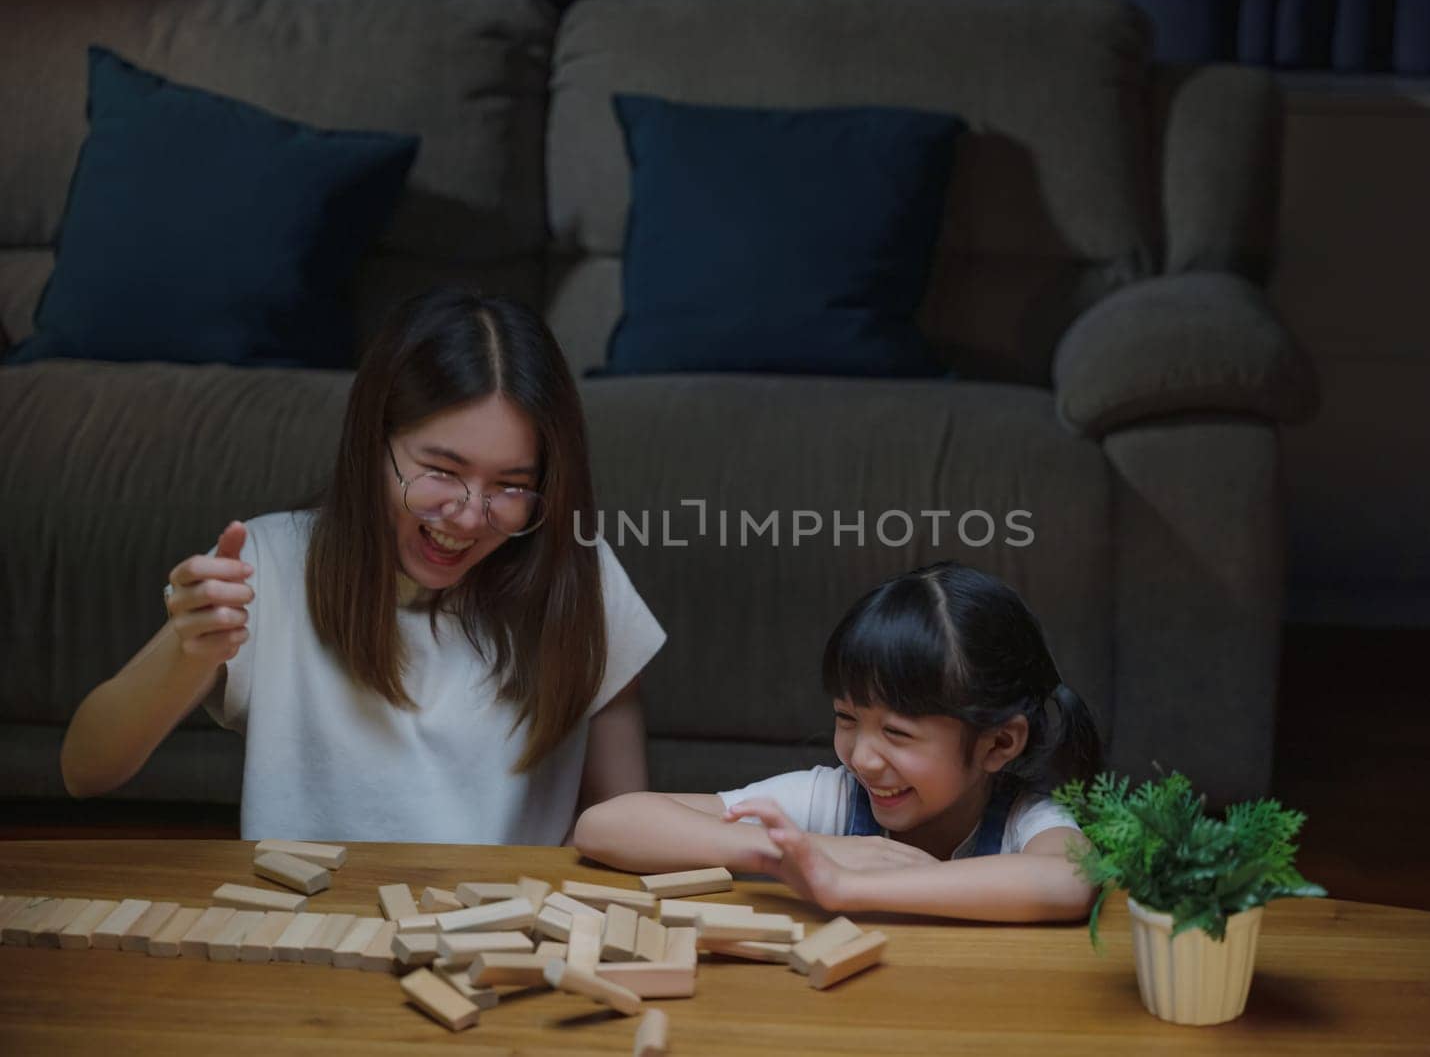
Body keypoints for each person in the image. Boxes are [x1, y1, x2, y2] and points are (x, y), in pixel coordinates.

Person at [60, 287, 665, 844]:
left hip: (500, 947)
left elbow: (626, 827)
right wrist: (188, 650)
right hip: (308, 939)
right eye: (442, 472)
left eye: (510, 485)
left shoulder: (583, 578)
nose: (469, 516)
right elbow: (86, 770)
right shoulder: (269, 568)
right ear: (373, 444)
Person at [574, 562, 1101, 922]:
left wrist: (847, 887)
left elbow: (1071, 881)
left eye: (897, 732)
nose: (862, 757)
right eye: (847, 718)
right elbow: (606, 824)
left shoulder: (1024, 821)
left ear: (999, 744)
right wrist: (793, 854)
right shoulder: (833, 800)